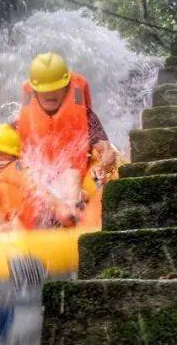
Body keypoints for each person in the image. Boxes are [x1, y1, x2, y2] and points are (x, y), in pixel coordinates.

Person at [13, 51, 117, 227]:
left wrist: (107, 156)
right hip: (39, 175)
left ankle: (70, 213)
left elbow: (104, 147)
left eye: (55, 89)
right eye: (44, 90)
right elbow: (14, 149)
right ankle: (55, 212)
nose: (49, 94)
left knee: (71, 175)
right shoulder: (24, 116)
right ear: (35, 89)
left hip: (72, 172)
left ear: (68, 86)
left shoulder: (84, 114)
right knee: (30, 174)